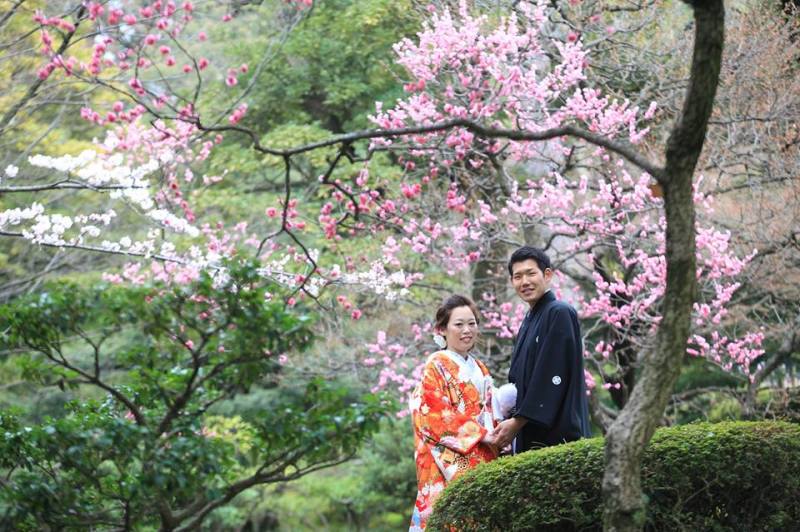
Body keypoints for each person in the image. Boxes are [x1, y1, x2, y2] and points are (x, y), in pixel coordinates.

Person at [409, 295, 500, 531]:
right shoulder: (436, 364)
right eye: (458, 324)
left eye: (472, 323)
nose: (466, 330)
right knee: (450, 513)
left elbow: (490, 410)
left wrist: (496, 434)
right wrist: (479, 434)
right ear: (442, 329)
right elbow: (431, 413)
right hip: (449, 456)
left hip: (482, 449)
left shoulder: (479, 367)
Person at [491, 246, 591, 453]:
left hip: (559, 432)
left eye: (531, 273)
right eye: (518, 276)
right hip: (530, 430)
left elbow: (551, 373)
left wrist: (518, 422)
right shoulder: (528, 320)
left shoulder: (559, 312)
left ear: (547, 275)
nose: (524, 282)